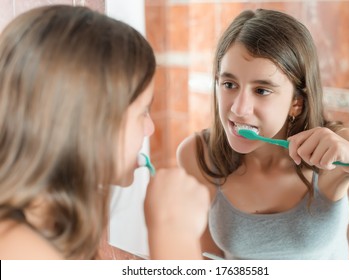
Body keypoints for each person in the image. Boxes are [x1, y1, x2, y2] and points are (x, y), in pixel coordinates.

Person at [177, 9, 349, 260]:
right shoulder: (199, 154)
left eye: (262, 90)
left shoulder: (336, 149)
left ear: (296, 102)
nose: (238, 108)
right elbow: (208, 259)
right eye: (229, 84)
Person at [0, 5, 209, 260]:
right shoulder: (20, 250)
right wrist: (173, 230)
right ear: (86, 124)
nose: (150, 128)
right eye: (143, 111)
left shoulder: (42, 226)